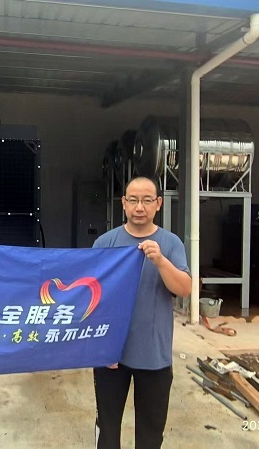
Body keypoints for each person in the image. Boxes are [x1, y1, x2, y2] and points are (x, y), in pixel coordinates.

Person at [93, 176, 192, 449]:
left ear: (158, 204)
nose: (140, 207)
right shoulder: (105, 243)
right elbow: (91, 298)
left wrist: (160, 261)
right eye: (133, 200)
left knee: (150, 435)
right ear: (123, 203)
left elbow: (184, 288)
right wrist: (102, 348)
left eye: (147, 200)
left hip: (154, 356)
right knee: (107, 430)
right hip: (112, 356)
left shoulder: (170, 244)